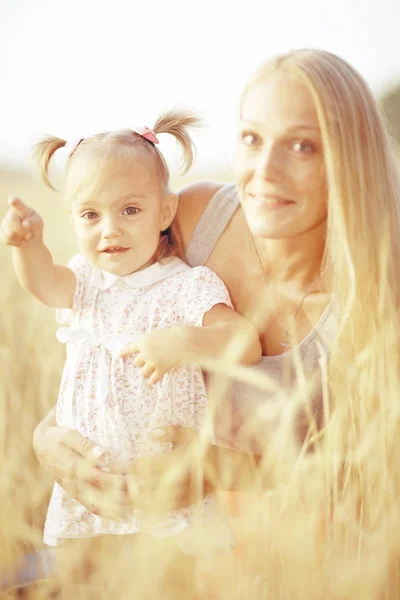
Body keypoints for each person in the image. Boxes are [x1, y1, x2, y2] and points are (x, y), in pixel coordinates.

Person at [31, 48, 400, 597]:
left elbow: (374, 489)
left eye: (302, 145)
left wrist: (216, 470)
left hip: (305, 578)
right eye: (252, 139)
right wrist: (47, 436)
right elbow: (110, 316)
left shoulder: (377, 297)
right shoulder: (199, 216)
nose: (263, 173)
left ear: (351, 158)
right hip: (166, 566)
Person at [0, 110, 262, 597]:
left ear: (165, 212)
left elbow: (243, 341)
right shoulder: (86, 282)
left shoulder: (187, 286)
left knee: (172, 581)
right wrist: (26, 246)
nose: (109, 230)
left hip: (165, 478)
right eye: (90, 215)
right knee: (80, 575)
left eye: (130, 211)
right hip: (91, 478)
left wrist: (184, 341)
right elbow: (43, 283)